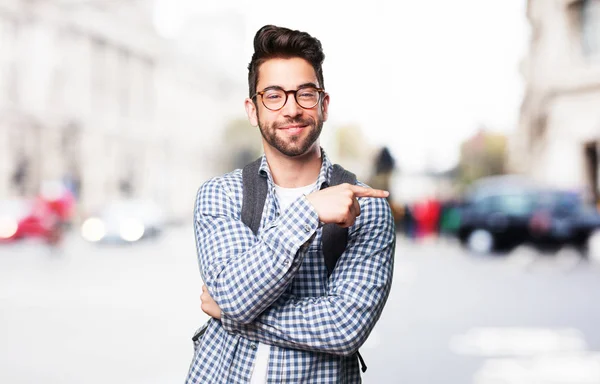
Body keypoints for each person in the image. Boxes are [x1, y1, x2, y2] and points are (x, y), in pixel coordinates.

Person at [186, 25, 396, 384]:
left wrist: (232, 316)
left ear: (324, 104)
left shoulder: (368, 208)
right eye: (273, 95)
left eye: (305, 94)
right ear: (253, 110)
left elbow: (344, 329)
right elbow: (236, 296)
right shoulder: (220, 195)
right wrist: (309, 212)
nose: (292, 109)